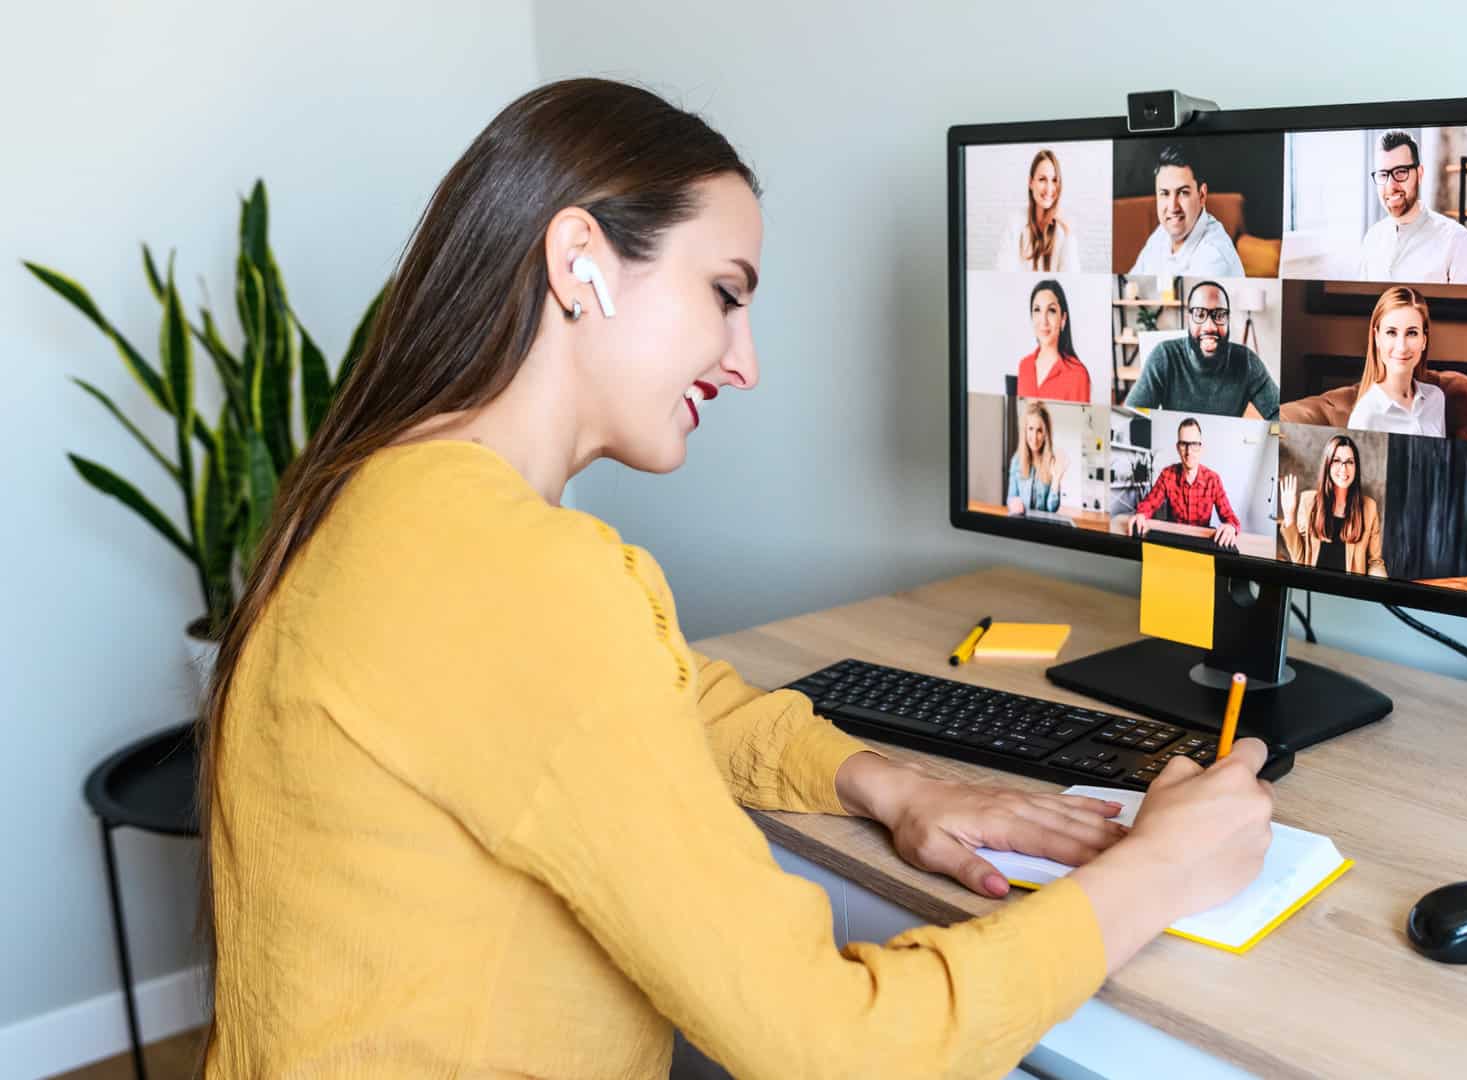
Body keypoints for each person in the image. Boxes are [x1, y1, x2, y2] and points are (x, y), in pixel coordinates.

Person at [194, 79, 1278, 1079]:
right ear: (581, 260)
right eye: (725, 294)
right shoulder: (520, 571)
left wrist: (885, 781)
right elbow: (830, 1044)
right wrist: (1158, 875)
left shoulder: (383, 498)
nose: (745, 360)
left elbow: (647, 698)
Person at [1123, 281, 1280, 419]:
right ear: (1188, 320)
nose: (1210, 326)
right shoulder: (1165, 356)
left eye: (1219, 315)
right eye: (1199, 314)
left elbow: (1278, 414)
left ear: (1228, 319)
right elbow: (1134, 416)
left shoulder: (1247, 361)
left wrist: (1272, 441)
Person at [1358, 130, 1467, 284]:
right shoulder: (1372, 239)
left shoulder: (1458, 242)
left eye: (1401, 172)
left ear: (1420, 174)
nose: (1391, 185)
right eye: (1383, 174)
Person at [1126, 145, 1245, 277]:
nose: (1173, 207)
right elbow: (1130, 287)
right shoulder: (1161, 235)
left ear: (1202, 195)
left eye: (1183, 192)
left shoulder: (1213, 257)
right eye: (1164, 193)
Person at [1346, 286, 1448, 437]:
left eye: (1412, 333)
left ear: (1424, 340)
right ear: (1377, 338)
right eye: (1391, 332)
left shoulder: (1436, 398)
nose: (1402, 347)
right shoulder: (1365, 416)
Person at [1279, 435, 1387, 576]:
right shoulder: (1308, 501)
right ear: (1327, 464)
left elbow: (1375, 562)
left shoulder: (1369, 507)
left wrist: (1380, 583)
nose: (1343, 468)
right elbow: (1300, 561)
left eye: (1349, 462)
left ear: (1356, 467)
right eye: (1337, 461)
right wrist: (1289, 517)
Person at [1126, 417, 1241, 548]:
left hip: (1201, 544)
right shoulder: (1167, 475)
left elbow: (1230, 518)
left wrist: (1230, 527)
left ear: (1201, 447)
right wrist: (1141, 515)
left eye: (1194, 444)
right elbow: (1149, 504)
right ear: (1177, 447)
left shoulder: (1213, 480)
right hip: (1173, 542)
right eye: (1183, 444)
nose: (1188, 452)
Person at [996, 148, 1082, 272]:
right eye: (1042, 179)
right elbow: (1003, 273)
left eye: (1054, 180)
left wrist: (1069, 234)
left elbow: (1072, 281)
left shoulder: (1064, 229)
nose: (1049, 189)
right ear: (1031, 183)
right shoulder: (1014, 223)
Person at [1015, 279, 1091, 402]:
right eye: (1037, 310)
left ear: (1063, 319)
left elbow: (1078, 421)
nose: (1043, 321)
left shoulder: (1078, 375)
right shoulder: (1024, 366)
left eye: (1051, 310)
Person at [1008, 400, 1067, 515]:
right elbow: (1011, 497)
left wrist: (1056, 480)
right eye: (1030, 429)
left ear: (1046, 434)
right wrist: (1014, 503)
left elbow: (1052, 508)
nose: (1034, 437)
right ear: (1025, 430)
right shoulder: (1016, 460)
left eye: (1039, 431)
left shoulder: (1052, 462)